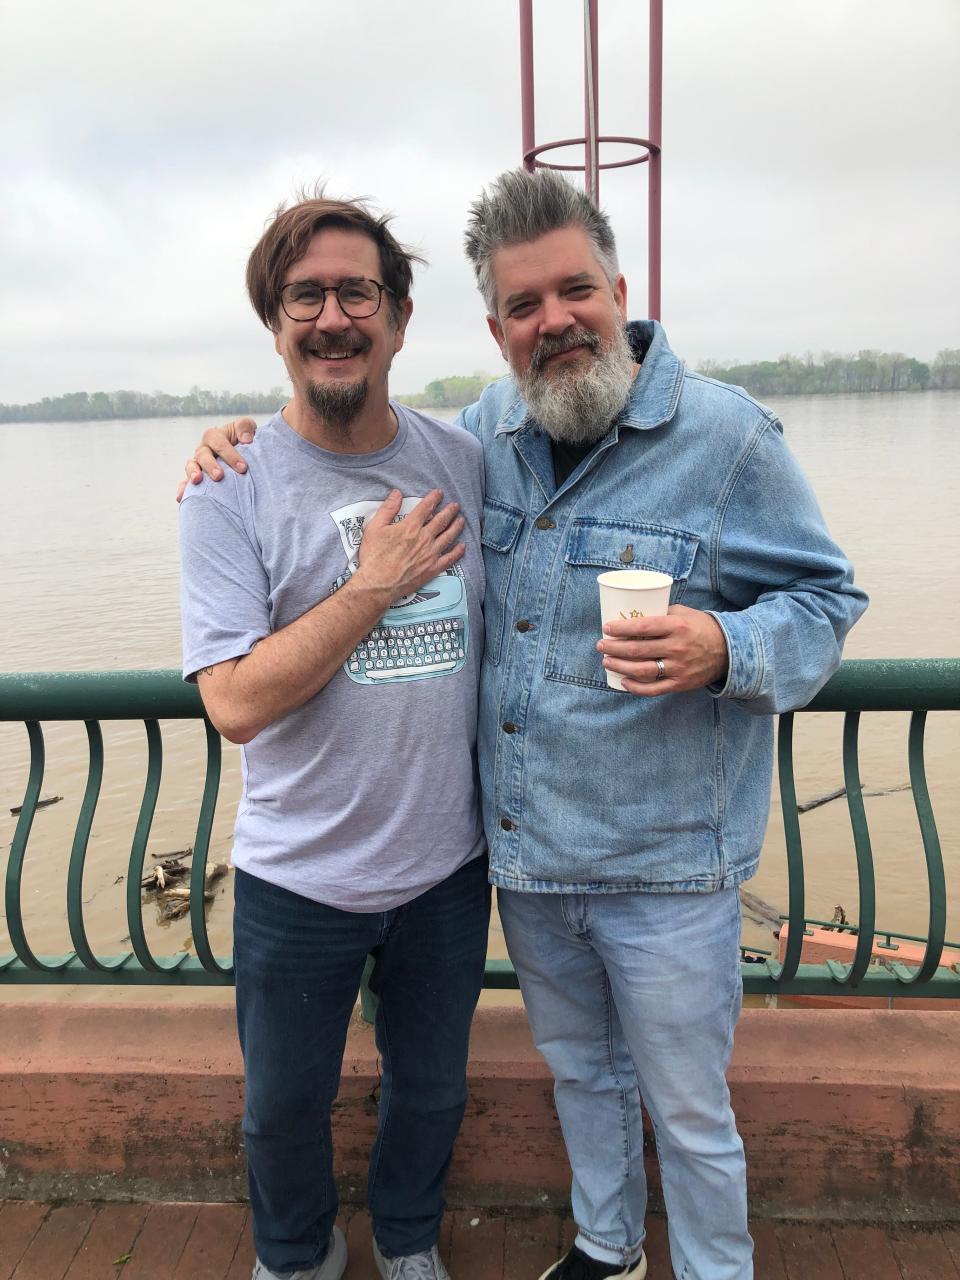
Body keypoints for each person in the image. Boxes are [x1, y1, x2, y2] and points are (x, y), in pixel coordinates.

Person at [183, 168, 867, 1280]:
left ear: (618, 288)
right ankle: (608, 1245)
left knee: (691, 1110)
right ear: (493, 328)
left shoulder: (728, 439)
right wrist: (234, 439)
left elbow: (828, 603)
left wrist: (725, 647)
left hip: (663, 863)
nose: (554, 321)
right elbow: (329, 474)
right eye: (522, 306)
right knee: (581, 1076)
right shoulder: (488, 434)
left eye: (573, 291)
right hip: (531, 865)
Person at [178, 192, 490, 1280]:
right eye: (304, 295)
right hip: (295, 873)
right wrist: (374, 585)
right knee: (279, 1108)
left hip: (447, 869)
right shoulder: (229, 487)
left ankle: (407, 1238)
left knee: (433, 1086)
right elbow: (235, 702)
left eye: (358, 291)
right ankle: (296, 1252)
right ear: (276, 324)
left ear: (400, 321)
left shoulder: (466, 459)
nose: (332, 315)